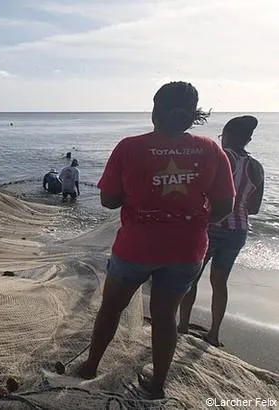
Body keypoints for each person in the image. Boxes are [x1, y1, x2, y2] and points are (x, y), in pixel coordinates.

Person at [78, 82, 235, 400]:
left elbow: (109, 200)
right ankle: (158, 385)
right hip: (187, 250)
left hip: (136, 247)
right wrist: (193, 222)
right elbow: (225, 208)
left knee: (111, 308)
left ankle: (90, 367)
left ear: (154, 110)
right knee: (165, 316)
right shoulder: (210, 149)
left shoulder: (130, 147)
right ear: (194, 115)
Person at [178, 115, 264, 347]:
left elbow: (199, 190)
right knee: (220, 282)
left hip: (211, 225)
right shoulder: (256, 167)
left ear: (226, 135)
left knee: (192, 277)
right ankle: (214, 334)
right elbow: (254, 208)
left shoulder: (221, 157)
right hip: (239, 230)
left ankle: (183, 326)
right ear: (248, 139)